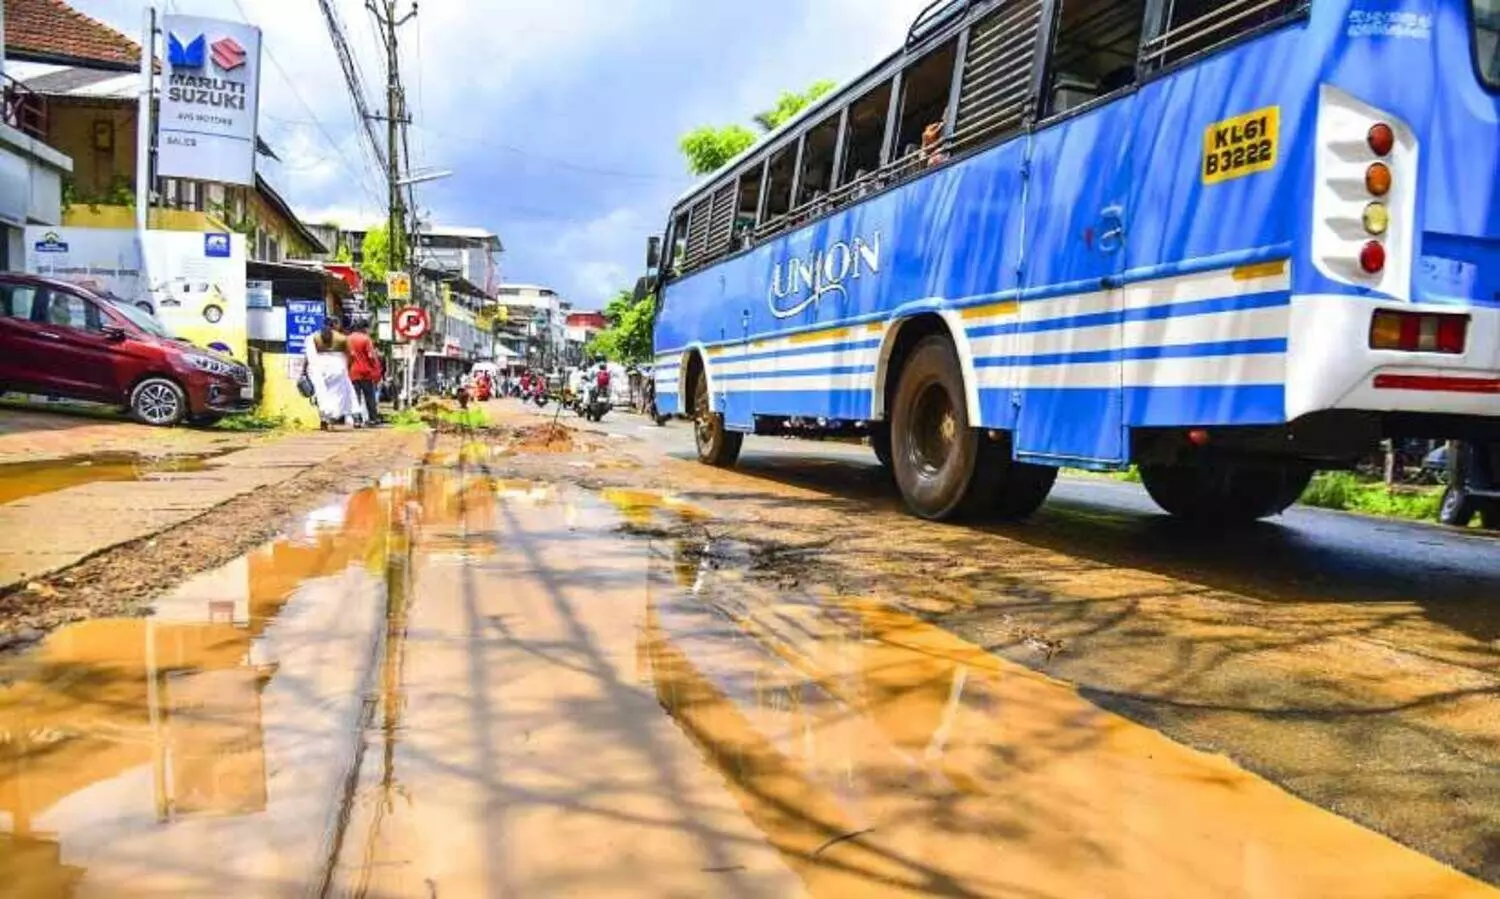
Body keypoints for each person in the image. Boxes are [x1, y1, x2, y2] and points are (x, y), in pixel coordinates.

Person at [304, 319, 364, 430]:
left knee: (322, 395)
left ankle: (325, 420)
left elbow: (309, 357)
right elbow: (351, 355)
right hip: (338, 367)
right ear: (335, 325)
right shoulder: (342, 338)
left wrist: (304, 371)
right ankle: (355, 418)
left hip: (320, 368)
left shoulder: (315, 338)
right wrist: (347, 367)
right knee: (347, 394)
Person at [346, 316, 383, 425]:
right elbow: (371, 356)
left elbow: (347, 355)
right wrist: (375, 368)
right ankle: (372, 419)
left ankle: (357, 420)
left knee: (355, 397)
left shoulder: (348, 339)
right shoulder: (366, 339)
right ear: (363, 328)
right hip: (366, 372)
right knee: (369, 397)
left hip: (353, 372)